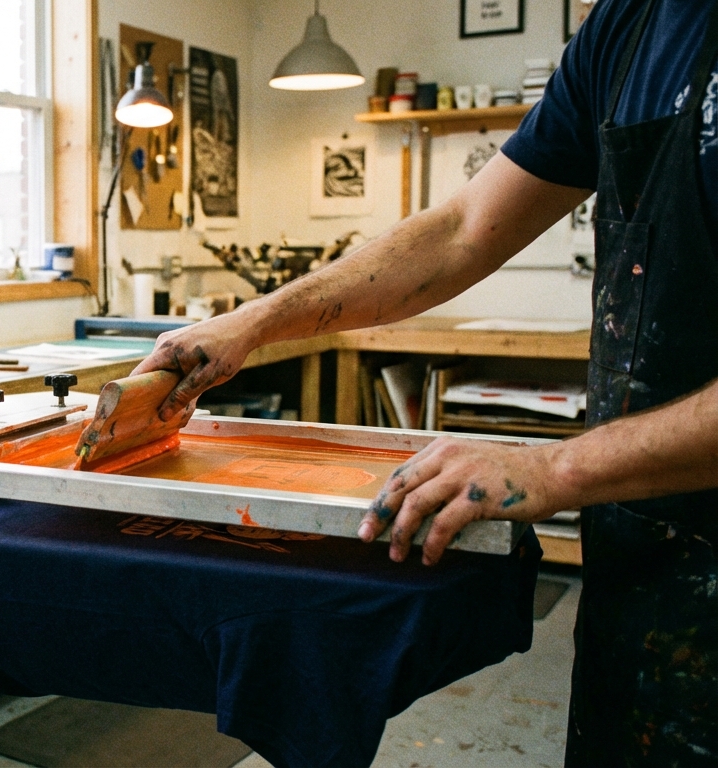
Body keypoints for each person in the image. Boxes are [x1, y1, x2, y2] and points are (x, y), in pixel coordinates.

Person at [132, 0, 718, 763]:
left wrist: (556, 467)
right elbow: (462, 230)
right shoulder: (627, 27)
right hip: (642, 552)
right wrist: (254, 321)